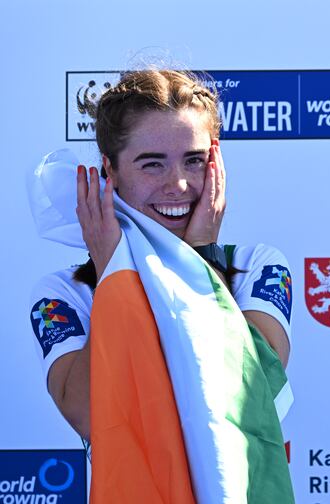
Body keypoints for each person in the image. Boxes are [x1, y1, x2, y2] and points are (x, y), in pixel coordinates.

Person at [29, 69, 293, 443]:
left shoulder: (256, 267)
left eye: (194, 161)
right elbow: (89, 416)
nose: (178, 184)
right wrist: (114, 277)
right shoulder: (66, 291)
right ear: (111, 169)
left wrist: (202, 255)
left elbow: (255, 390)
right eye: (153, 163)